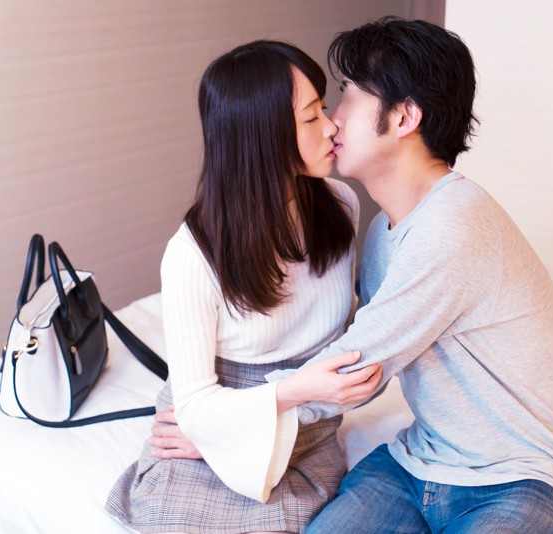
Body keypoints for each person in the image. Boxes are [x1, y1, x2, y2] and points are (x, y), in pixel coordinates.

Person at [154, 16, 553, 534]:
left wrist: (222, 429)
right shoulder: (379, 232)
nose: (333, 123)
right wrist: (220, 423)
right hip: (417, 464)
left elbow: (353, 365)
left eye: (346, 98)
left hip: (520, 477)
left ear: (404, 116)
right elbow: (362, 375)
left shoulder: (454, 225)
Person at [105, 40, 382, 534]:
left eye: (323, 108)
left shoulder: (340, 205)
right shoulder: (193, 255)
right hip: (218, 416)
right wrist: (228, 433)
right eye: (311, 116)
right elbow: (197, 407)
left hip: (307, 426)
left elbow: (348, 355)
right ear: (261, 137)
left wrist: (299, 403)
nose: (331, 126)